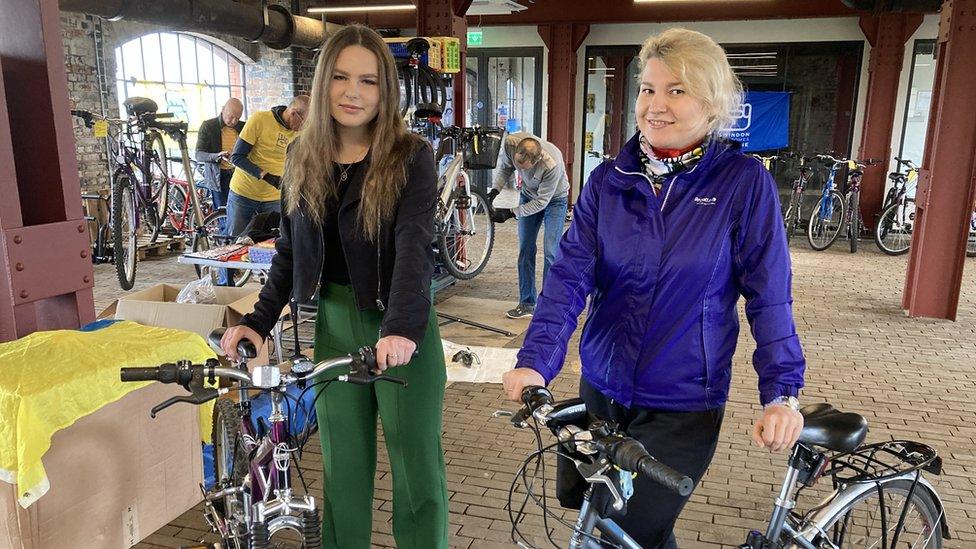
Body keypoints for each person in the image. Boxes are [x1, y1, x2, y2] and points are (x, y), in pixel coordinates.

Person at [501, 28, 806, 548]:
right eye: (647, 89)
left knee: (629, 530)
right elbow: (568, 277)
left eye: (676, 90)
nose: (654, 105)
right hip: (602, 386)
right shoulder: (609, 180)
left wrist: (782, 394)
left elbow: (769, 294)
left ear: (711, 105)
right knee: (600, 521)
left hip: (682, 401)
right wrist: (536, 360)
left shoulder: (742, 183)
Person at [219, 24, 448, 549]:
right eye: (341, 77)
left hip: (401, 324)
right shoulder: (303, 155)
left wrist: (403, 330)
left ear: (385, 90)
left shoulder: (411, 156)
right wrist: (258, 321)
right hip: (334, 323)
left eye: (368, 81)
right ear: (323, 84)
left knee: (417, 473)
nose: (353, 92)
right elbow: (291, 250)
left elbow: (416, 249)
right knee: (343, 470)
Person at [218, 95, 308, 285]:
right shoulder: (260, 120)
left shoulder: (299, 132)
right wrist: (265, 175)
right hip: (244, 192)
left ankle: (273, 289)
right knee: (235, 243)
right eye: (303, 123)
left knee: (276, 244)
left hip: (274, 196)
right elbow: (237, 157)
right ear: (293, 113)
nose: (303, 129)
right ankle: (225, 286)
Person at [488, 132, 570, 319]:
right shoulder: (511, 144)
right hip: (528, 193)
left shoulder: (551, 164)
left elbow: (542, 202)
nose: (520, 170)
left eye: (524, 168)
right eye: (518, 165)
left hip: (554, 200)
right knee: (525, 249)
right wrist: (494, 191)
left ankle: (548, 306)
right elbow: (505, 168)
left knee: (550, 251)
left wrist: (511, 212)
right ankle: (527, 303)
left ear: (536, 161)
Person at [194, 98, 245, 210]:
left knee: (239, 211)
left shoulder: (243, 127)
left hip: (239, 174)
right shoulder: (209, 126)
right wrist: (217, 155)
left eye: (237, 118)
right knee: (222, 212)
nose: (233, 121)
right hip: (218, 176)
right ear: (223, 110)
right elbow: (198, 154)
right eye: (231, 117)